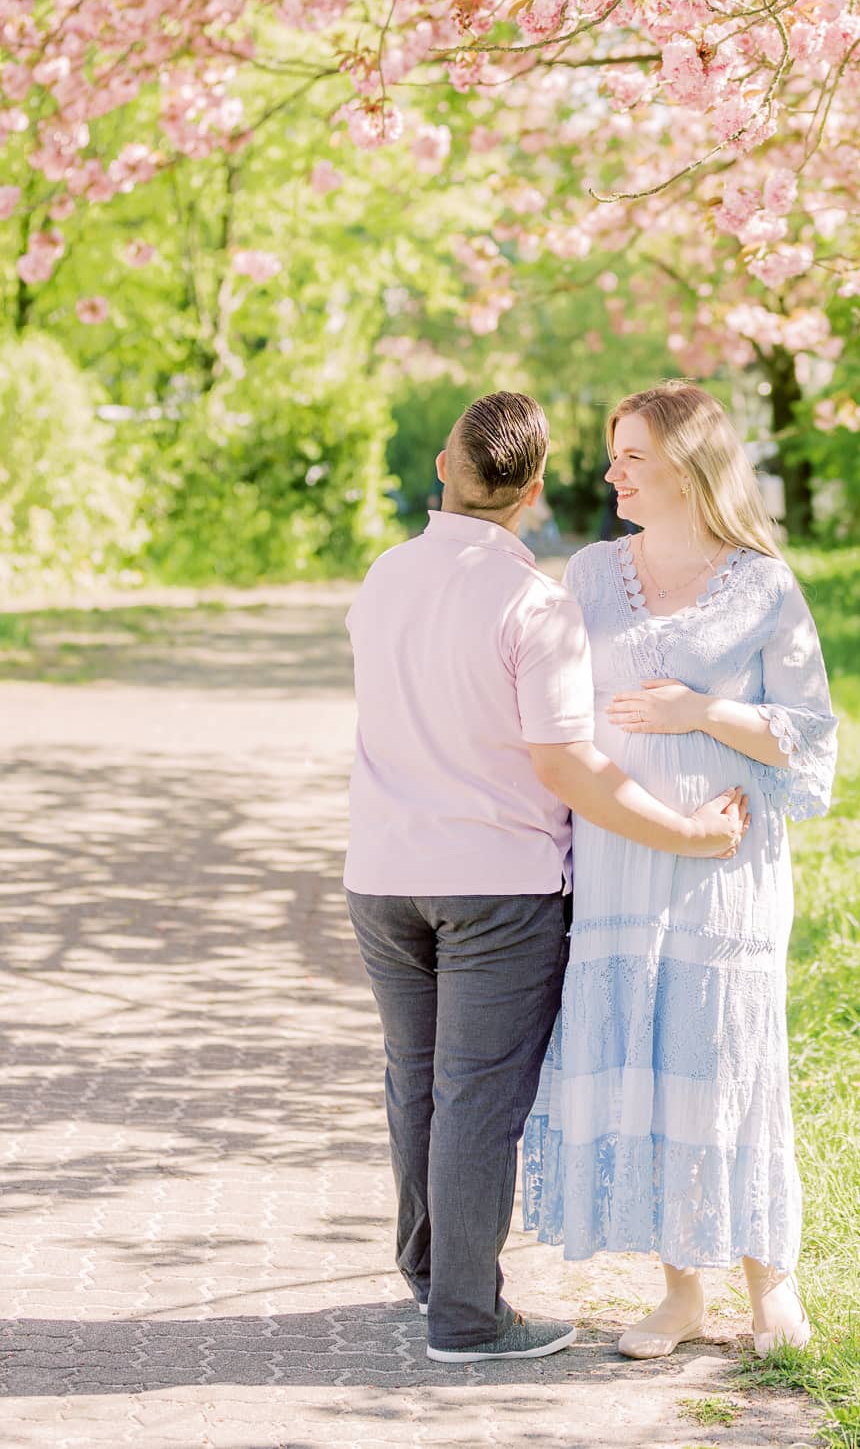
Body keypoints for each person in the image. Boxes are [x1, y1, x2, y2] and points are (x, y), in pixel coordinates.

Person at [343, 391, 749, 1366]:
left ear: (447, 469)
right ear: (530, 493)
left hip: (382, 878)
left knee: (417, 1085)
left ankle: (431, 1275)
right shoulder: (536, 606)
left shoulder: (383, 578)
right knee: (477, 1096)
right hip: (498, 891)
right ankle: (467, 1319)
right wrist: (687, 833)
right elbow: (566, 766)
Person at [523, 381, 838, 1359]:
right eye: (614, 453)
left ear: (689, 468)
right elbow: (559, 719)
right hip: (620, 860)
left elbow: (811, 737)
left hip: (725, 868)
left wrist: (700, 712)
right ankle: (679, 1294)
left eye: (632, 457)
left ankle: (771, 1288)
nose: (611, 472)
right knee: (650, 1062)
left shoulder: (764, 585)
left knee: (727, 1061)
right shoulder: (588, 574)